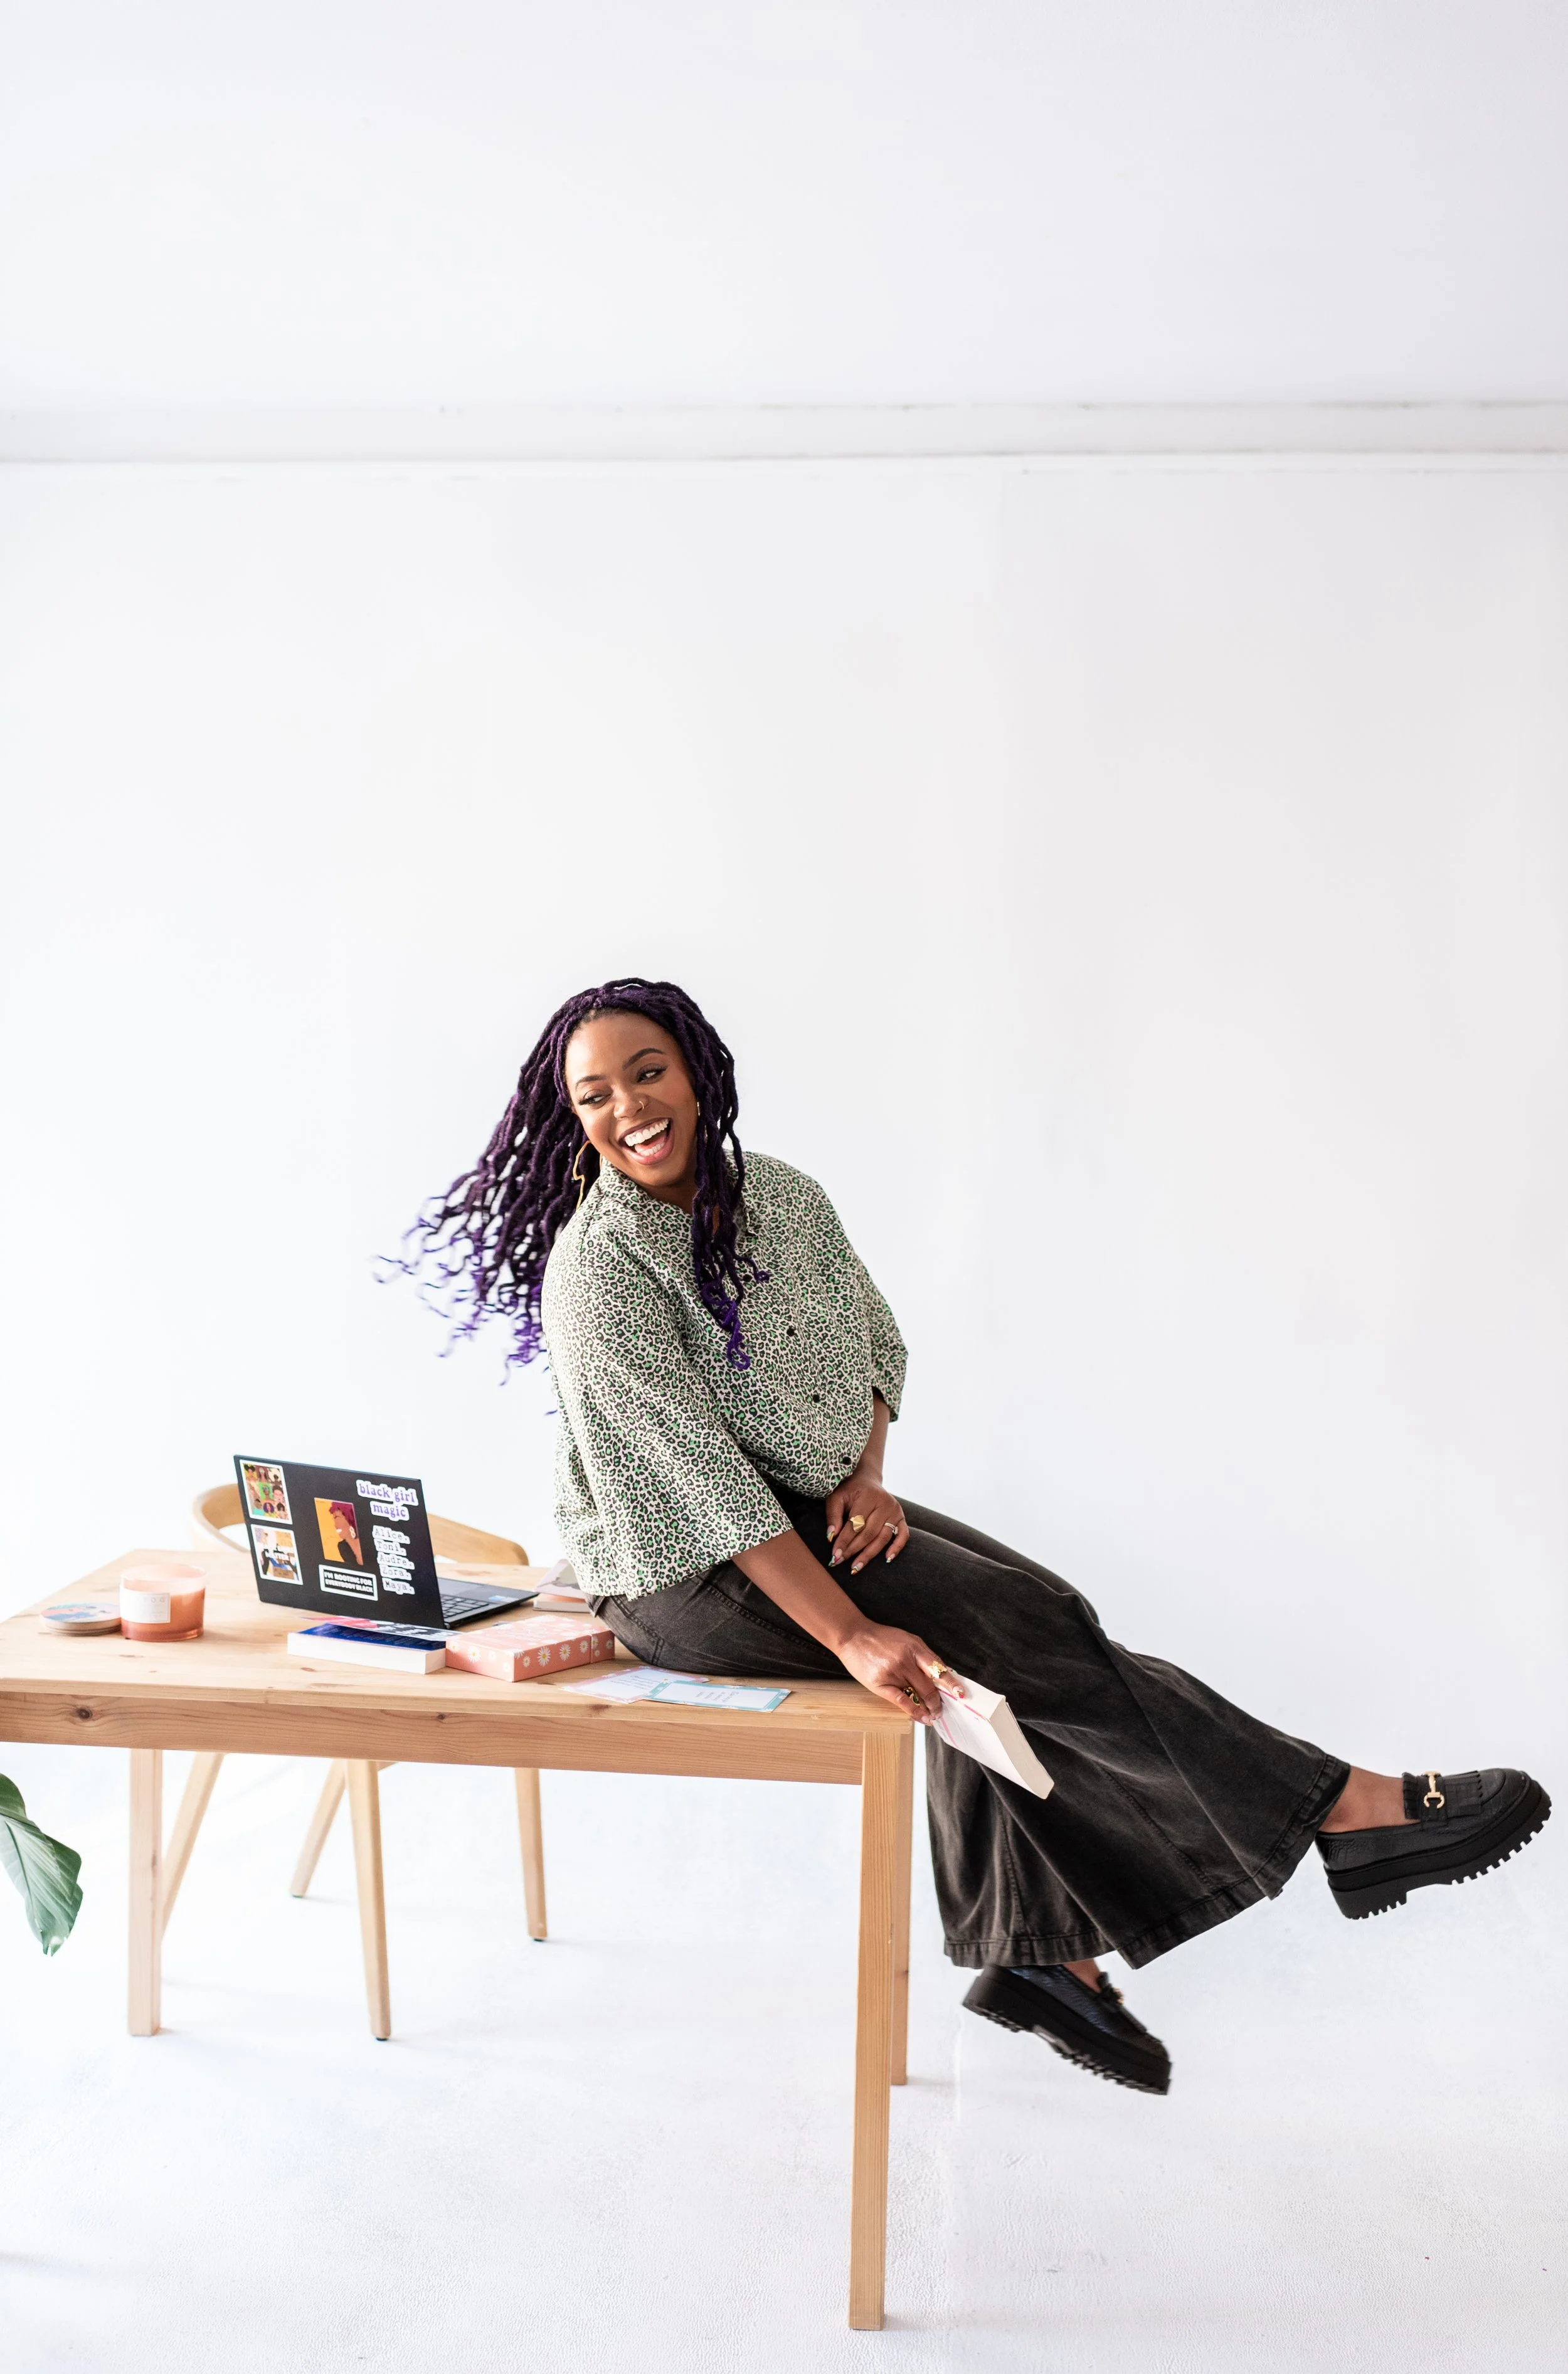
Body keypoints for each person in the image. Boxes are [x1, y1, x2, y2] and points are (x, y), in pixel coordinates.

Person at [403, 977, 1549, 2096]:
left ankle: (1038, 1952)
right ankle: (1347, 1810)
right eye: (595, 1094)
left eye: (646, 1072)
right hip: (682, 1567)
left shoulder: (787, 1201)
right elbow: (700, 1485)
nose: (627, 1108)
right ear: (573, 1119)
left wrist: (866, 1480)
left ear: (699, 1073)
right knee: (1016, 1632)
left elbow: (874, 1346)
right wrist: (854, 1635)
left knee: (1029, 1608)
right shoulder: (597, 1270)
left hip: (799, 1513)